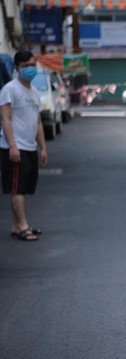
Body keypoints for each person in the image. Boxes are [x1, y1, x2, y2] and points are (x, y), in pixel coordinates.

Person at [0, 51, 46, 241]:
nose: (30, 69)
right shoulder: (10, 89)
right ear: (17, 67)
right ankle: (23, 226)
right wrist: (12, 145)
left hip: (29, 147)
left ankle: (17, 225)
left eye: (33, 64)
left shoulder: (34, 92)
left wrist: (42, 147)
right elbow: (5, 118)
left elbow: (38, 122)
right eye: (26, 65)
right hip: (15, 147)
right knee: (17, 188)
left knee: (22, 188)